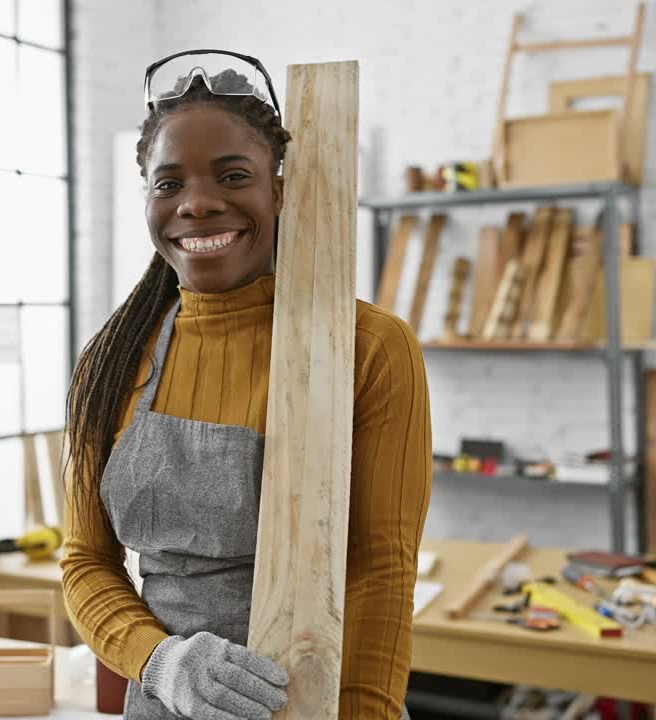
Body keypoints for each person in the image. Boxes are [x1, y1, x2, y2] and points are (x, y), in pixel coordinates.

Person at [61, 49, 432, 719]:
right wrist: (162, 662)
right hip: (161, 704)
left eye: (233, 175)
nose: (198, 203)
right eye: (168, 183)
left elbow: (380, 571)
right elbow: (85, 562)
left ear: (279, 191)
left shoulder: (369, 348)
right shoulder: (110, 361)